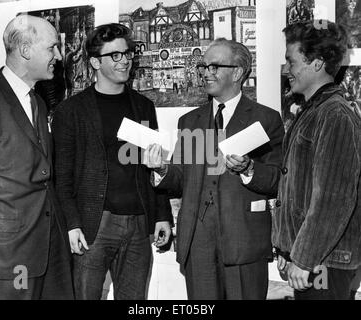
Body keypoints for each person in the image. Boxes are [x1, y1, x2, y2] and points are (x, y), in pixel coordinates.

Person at [144, 38, 284, 300]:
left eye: (214, 67)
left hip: (244, 245)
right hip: (197, 245)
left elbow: (278, 180)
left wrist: (249, 169)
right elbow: (180, 179)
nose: (206, 73)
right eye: (204, 66)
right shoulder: (189, 121)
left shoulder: (265, 119)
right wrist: (162, 169)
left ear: (238, 72)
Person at [52, 23, 173, 300]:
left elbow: (152, 166)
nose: (125, 61)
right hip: (93, 224)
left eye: (128, 53)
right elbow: (63, 175)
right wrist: (71, 224)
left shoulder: (143, 106)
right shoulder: (70, 111)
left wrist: (162, 216)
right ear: (95, 62)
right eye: (115, 55)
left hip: (139, 224)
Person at [0, 14, 73, 299]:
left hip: (48, 248)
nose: (59, 56)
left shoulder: (36, 101)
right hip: (6, 258)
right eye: (52, 48)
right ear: (25, 51)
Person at [272, 20, 361, 300]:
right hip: (314, 258)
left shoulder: (334, 114)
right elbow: (298, 191)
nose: (288, 69)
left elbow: (331, 199)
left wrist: (304, 257)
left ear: (317, 63)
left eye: (292, 61)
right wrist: (288, 250)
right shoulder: (315, 111)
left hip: (326, 261)